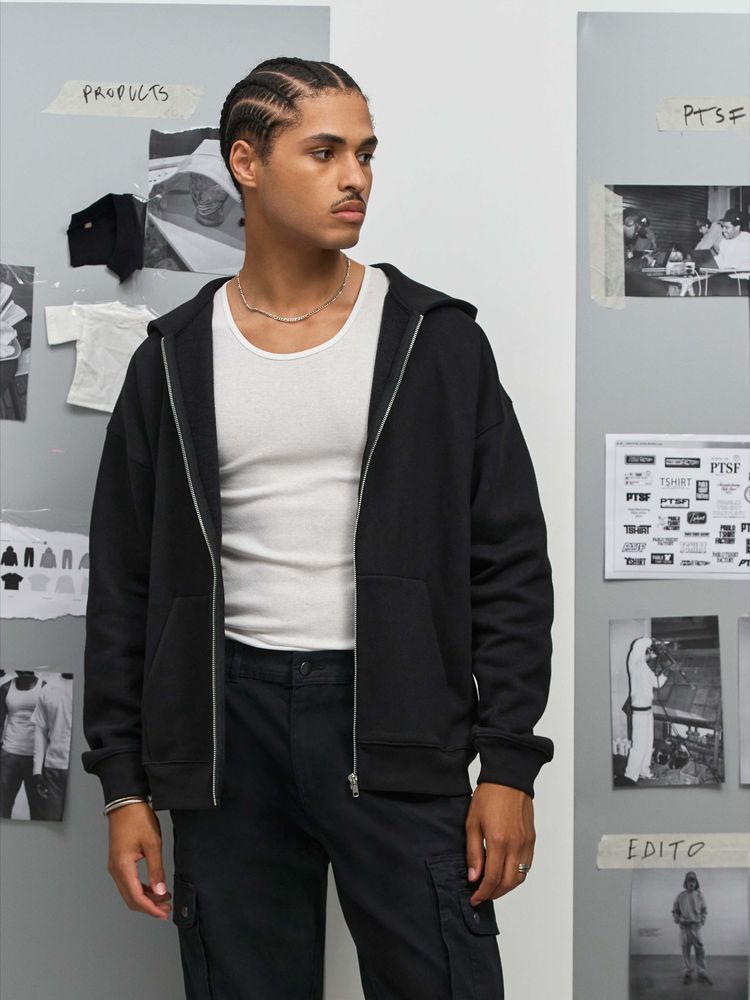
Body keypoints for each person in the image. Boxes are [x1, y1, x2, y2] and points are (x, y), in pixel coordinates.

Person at [81, 56, 554, 999]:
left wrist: (508, 765)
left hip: (396, 719)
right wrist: (125, 786)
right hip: (228, 730)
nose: (355, 178)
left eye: (366, 154)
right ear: (246, 162)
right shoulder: (171, 358)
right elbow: (125, 585)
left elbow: (509, 562)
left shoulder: (434, 339)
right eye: (325, 151)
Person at [621, 637, 667, 784]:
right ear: (643, 652)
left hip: (648, 712)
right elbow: (638, 645)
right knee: (638, 747)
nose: (650, 655)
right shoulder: (634, 662)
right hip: (639, 713)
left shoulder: (645, 668)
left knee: (647, 744)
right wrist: (652, 641)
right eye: (649, 652)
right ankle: (630, 777)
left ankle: (644, 771)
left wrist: (666, 672)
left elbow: (657, 683)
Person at [672, 871, 712, 985]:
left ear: (696, 882)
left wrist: (701, 921)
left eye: (693, 881)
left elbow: (704, 910)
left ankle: (702, 971)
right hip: (684, 927)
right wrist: (677, 919)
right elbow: (675, 910)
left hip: (696, 927)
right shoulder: (681, 896)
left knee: (700, 949)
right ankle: (687, 972)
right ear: (686, 882)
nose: (691, 883)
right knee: (685, 950)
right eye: (689, 881)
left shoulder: (700, 896)